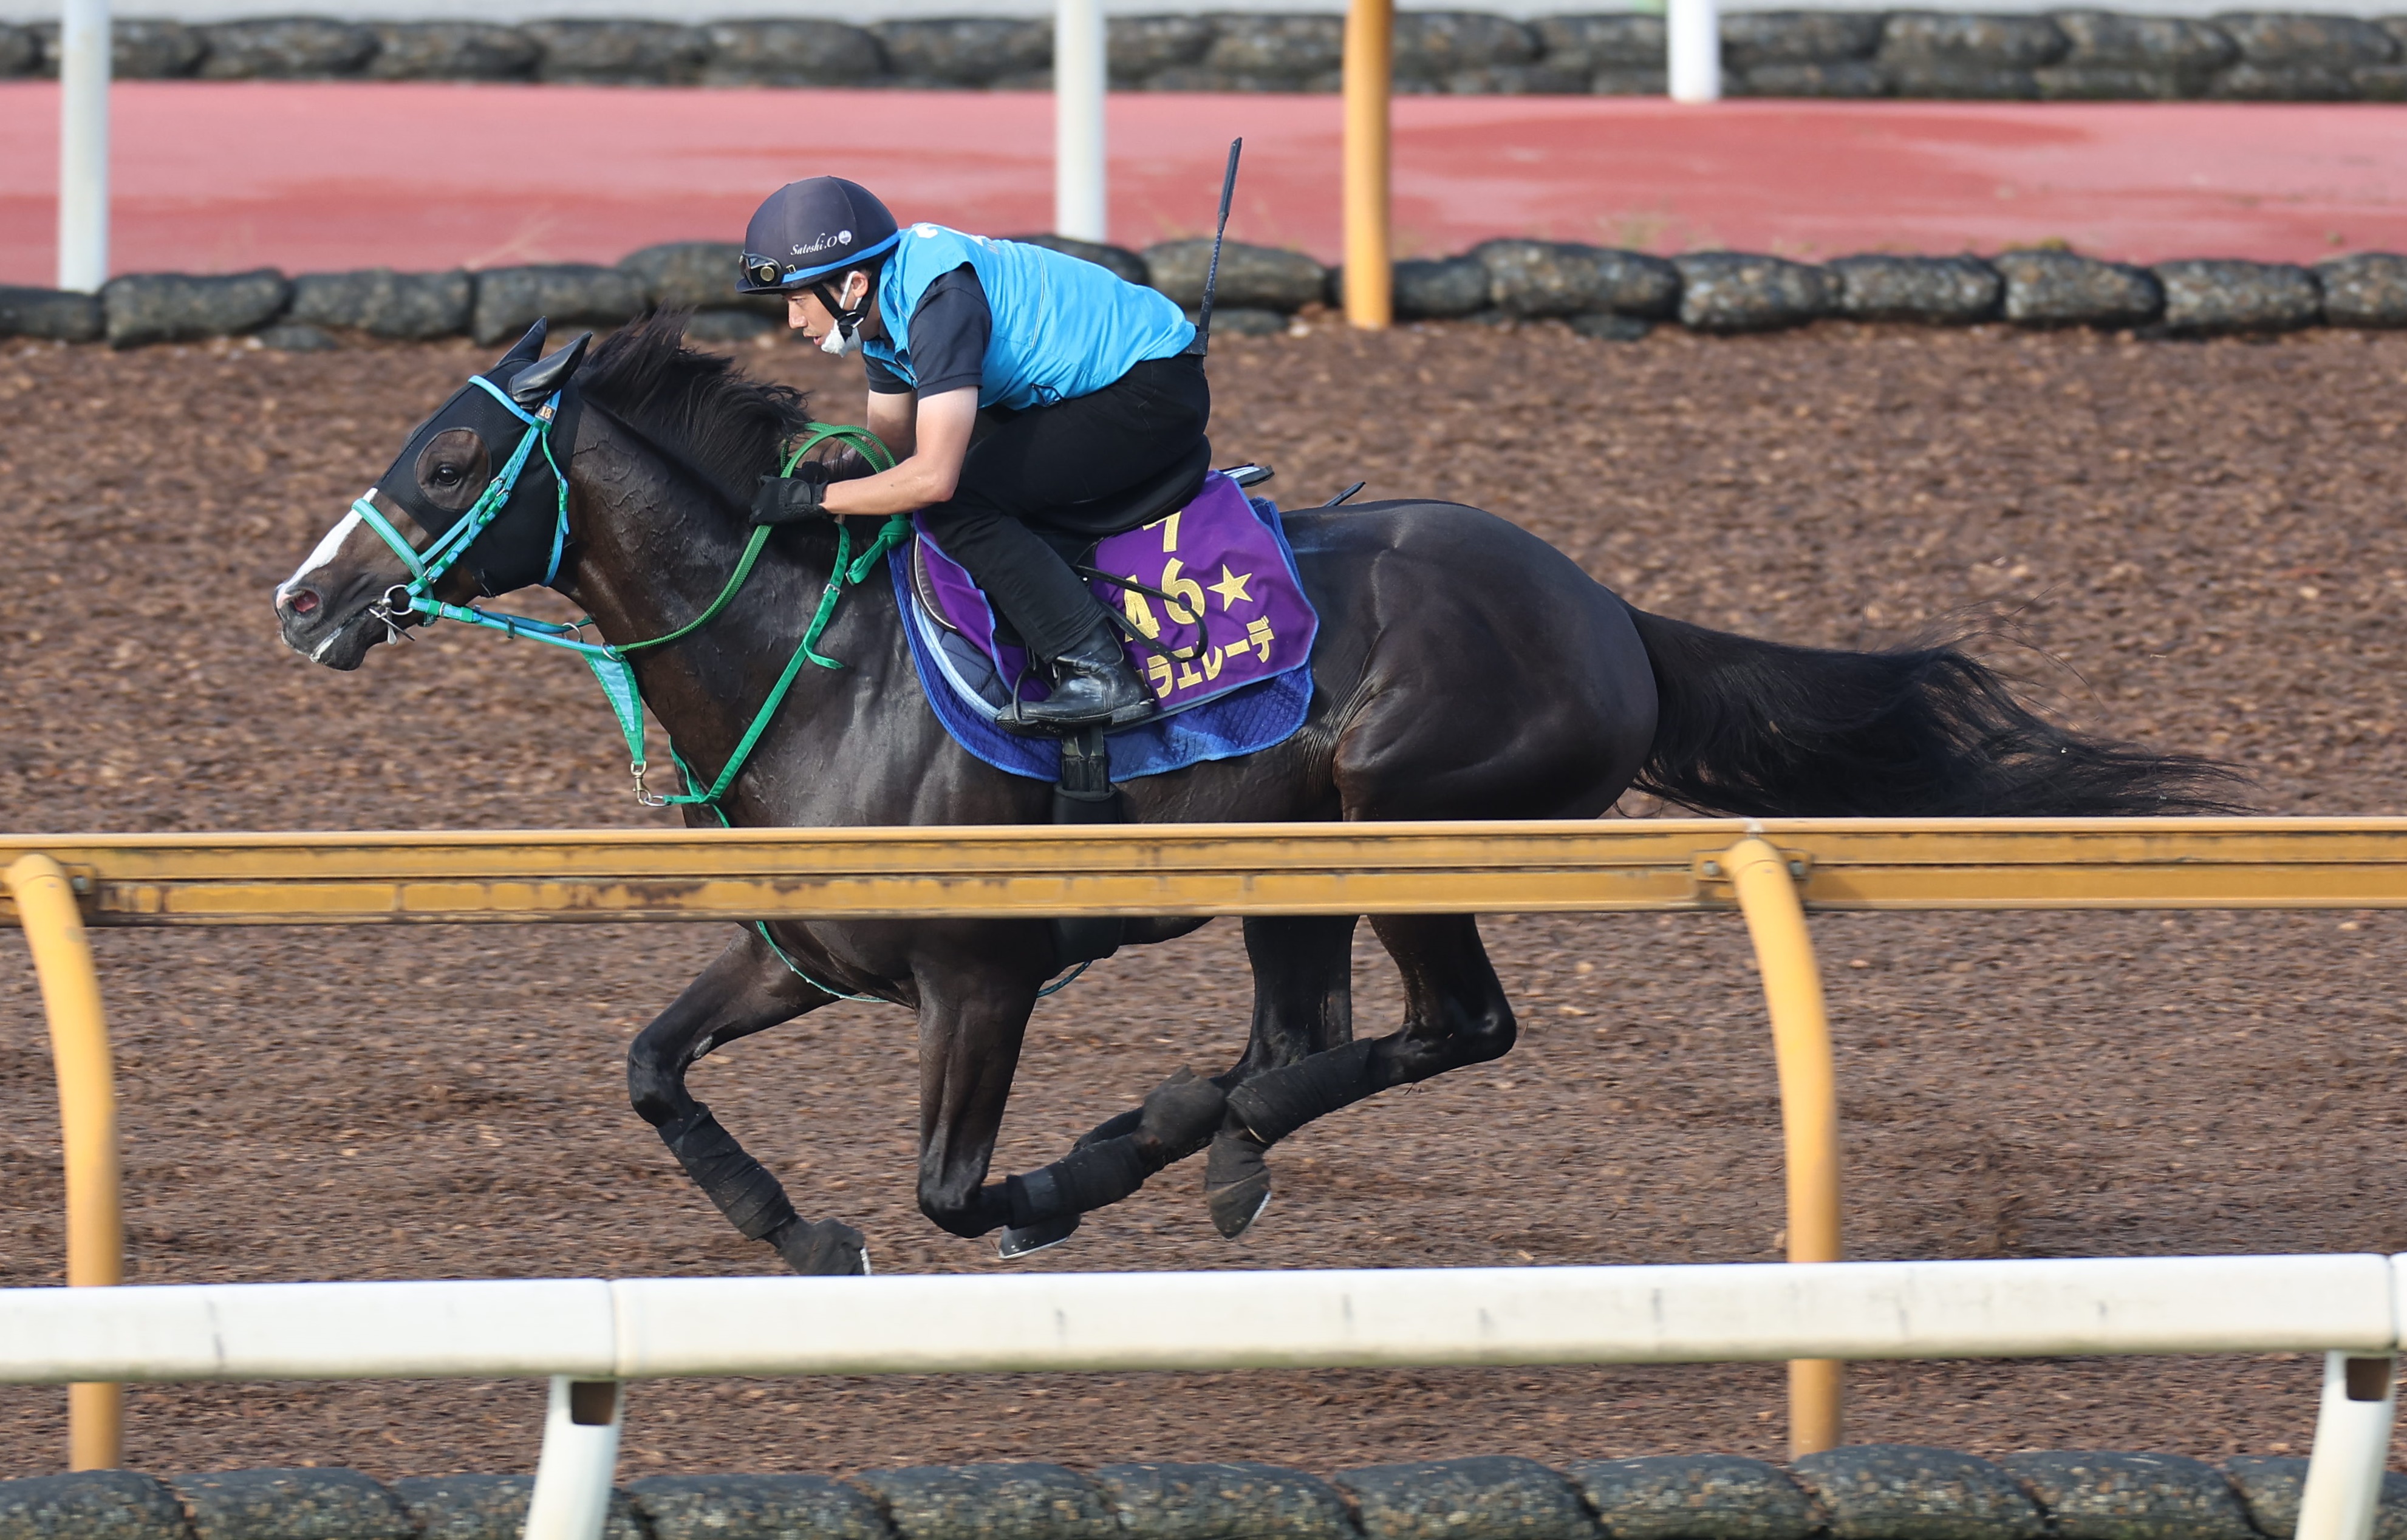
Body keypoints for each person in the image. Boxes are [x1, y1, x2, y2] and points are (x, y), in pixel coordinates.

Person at [738, 176, 1209, 732]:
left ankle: (1100, 674)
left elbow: (932, 478)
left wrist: (815, 501)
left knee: (957, 503)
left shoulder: (938, 304)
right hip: (1097, 385)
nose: (793, 322)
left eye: (796, 301)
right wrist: (803, 484)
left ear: (851, 286)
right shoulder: (882, 309)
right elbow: (887, 446)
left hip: (1150, 391)